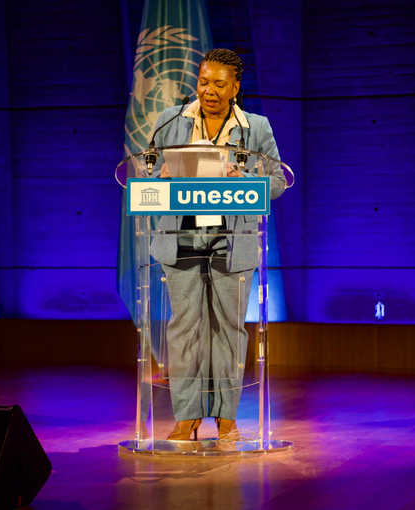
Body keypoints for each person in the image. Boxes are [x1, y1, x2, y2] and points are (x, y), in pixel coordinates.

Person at [148, 48, 286, 442]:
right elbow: (151, 174)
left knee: (228, 329)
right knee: (184, 329)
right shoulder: (170, 120)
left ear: (235, 87)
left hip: (232, 241)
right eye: (204, 82)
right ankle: (187, 417)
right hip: (180, 237)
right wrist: (165, 176)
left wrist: (241, 178)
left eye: (219, 84)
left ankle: (226, 418)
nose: (209, 91)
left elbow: (277, 181)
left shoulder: (255, 127)